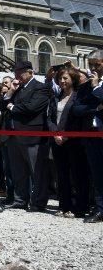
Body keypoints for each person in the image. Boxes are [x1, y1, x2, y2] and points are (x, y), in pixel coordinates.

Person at [0, 61, 50, 212]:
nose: (17, 75)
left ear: (30, 72)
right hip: (14, 135)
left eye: (20, 72)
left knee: (36, 171)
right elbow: (1, 107)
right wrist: (10, 93)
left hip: (31, 135)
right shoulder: (17, 89)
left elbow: (32, 107)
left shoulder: (41, 87)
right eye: (15, 72)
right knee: (18, 170)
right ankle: (20, 199)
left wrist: (13, 107)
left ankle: (39, 202)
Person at [47, 66, 88, 218]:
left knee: (77, 175)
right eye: (60, 78)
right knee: (61, 174)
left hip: (73, 141)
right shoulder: (56, 97)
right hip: (57, 141)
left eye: (65, 78)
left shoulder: (78, 97)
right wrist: (55, 134)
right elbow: (50, 118)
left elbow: (77, 119)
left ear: (73, 79)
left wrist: (66, 135)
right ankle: (64, 205)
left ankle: (79, 207)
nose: (62, 81)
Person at [72, 51, 103, 223]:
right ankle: (100, 209)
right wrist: (96, 108)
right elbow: (76, 109)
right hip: (91, 135)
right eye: (90, 65)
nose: (93, 68)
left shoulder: (96, 85)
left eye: (96, 64)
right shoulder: (84, 87)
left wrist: (97, 87)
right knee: (97, 174)